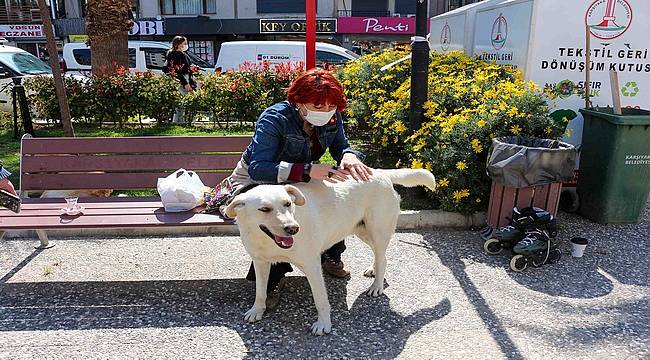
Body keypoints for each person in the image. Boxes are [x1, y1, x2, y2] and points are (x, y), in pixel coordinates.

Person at [210, 68, 373, 309]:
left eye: (330, 106)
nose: (325, 112)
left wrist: (349, 155)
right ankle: (273, 280)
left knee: (332, 200)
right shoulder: (274, 118)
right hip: (256, 181)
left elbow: (341, 146)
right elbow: (259, 167)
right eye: (317, 106)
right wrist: (306, 170)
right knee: (277, 215)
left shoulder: (332, 117)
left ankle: (330, 252)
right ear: (298, 102)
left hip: (295, 179)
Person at [166, 36, 197, 123]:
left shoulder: (183, 54)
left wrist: (193, 68)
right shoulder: (173, 54)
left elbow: (187, 66)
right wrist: (185, 83)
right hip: (182, 81)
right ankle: (183, 121)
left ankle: (182, 121)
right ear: (178, 44)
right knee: (184, 102)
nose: (186, 45)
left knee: (184, 102)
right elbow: (177, 71)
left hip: (186, 80)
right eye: (184, 43)